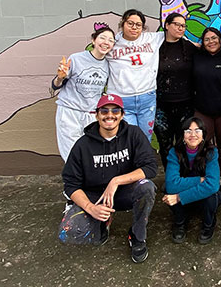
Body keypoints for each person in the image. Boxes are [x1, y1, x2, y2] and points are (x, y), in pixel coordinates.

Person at [59, 93, 158, 263]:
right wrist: (90, 208)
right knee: (70, 233)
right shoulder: (82, 145)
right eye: (104, 111)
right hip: (95, 196)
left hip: (123, 193)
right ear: (96, 114)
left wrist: (116, 181)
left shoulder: (133, 134)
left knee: (146, 187)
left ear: (122, 114)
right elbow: (70, 184)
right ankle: (102, 223)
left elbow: (150, 167)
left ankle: (137, 235)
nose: (110, 115)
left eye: (115, 111)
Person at [52, 23, 116, 161]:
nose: (106, 42)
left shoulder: (109, 65)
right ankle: (75, 181)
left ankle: (90, 182)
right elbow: (56, 85)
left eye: (111, 40)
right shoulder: (76, 58)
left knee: (92, 153)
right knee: (71, 153)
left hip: (91, 115)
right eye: (102, 38)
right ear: (93, 40)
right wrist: (59, 77)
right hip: (70, 112)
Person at [106, 9, 165, 141]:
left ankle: (142, 162)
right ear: (122, 24)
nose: (134, 27)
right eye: (130, 23)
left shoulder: (153, 38)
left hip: (147, 97)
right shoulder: (112, 42)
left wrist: (197, 46)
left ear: (143, 27)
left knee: (145, 137)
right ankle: (129, 162)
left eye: (138, 25)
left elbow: (174, 34)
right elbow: (96, 53)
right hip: (122, 98)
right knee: (127, 138)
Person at [162, 117, 221, 244]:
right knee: (167, 190)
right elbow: (172, 185)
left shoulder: (211, 152)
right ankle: (180, 222)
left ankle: (208, 223)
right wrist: (200, 180)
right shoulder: (174, 152)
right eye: (188, 131)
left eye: (197, 131)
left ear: (203, 134)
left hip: (202, 198)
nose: (193, 135)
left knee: (212, 194)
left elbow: (212, 185)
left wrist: (180, 197)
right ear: (183, 135)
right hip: (193, 191)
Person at [193, 27, 221, 190]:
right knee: (199, 142)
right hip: (202, 109)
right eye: (207, 39)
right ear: (202, 43)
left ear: (220, 40)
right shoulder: (197, 56)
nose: (211, 42)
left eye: (214, 38)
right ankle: (202, 173)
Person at [154, 13, 197, 169]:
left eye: (183, 26)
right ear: (167, 25)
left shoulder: (189, 48)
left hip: (185, 105)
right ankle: (170, 176)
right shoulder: (155, 47)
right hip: (161, 106)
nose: (181, 28)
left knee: (184, 142)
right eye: (177, 25)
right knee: (165, 144)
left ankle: (183, 175)